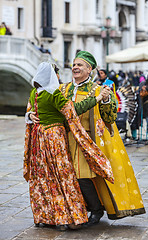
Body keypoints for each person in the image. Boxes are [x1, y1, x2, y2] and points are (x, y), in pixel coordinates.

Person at [30, 51, 145, 226]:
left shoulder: (99, 90)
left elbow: (110, 117)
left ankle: (96, 209)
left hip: (89, 139)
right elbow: (42, 104)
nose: (75, 67)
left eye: (80, 65)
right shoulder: (62, 88)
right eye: (74, 64)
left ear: (89, 69)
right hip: (64, 139)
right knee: (68, 177)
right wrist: (30, 114)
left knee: (82, 175)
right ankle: (78, 209)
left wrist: (105, 101)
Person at [24, 62, 114, 231]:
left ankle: (43, 216)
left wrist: (29, 115)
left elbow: (30, 112)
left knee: (43, 178)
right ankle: (66, 218)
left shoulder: (34, 92)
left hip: (39, 139)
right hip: (54, 139)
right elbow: (73, 111)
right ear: (53, 76)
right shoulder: (54, 94)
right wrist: (97, 98)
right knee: (63, 177)